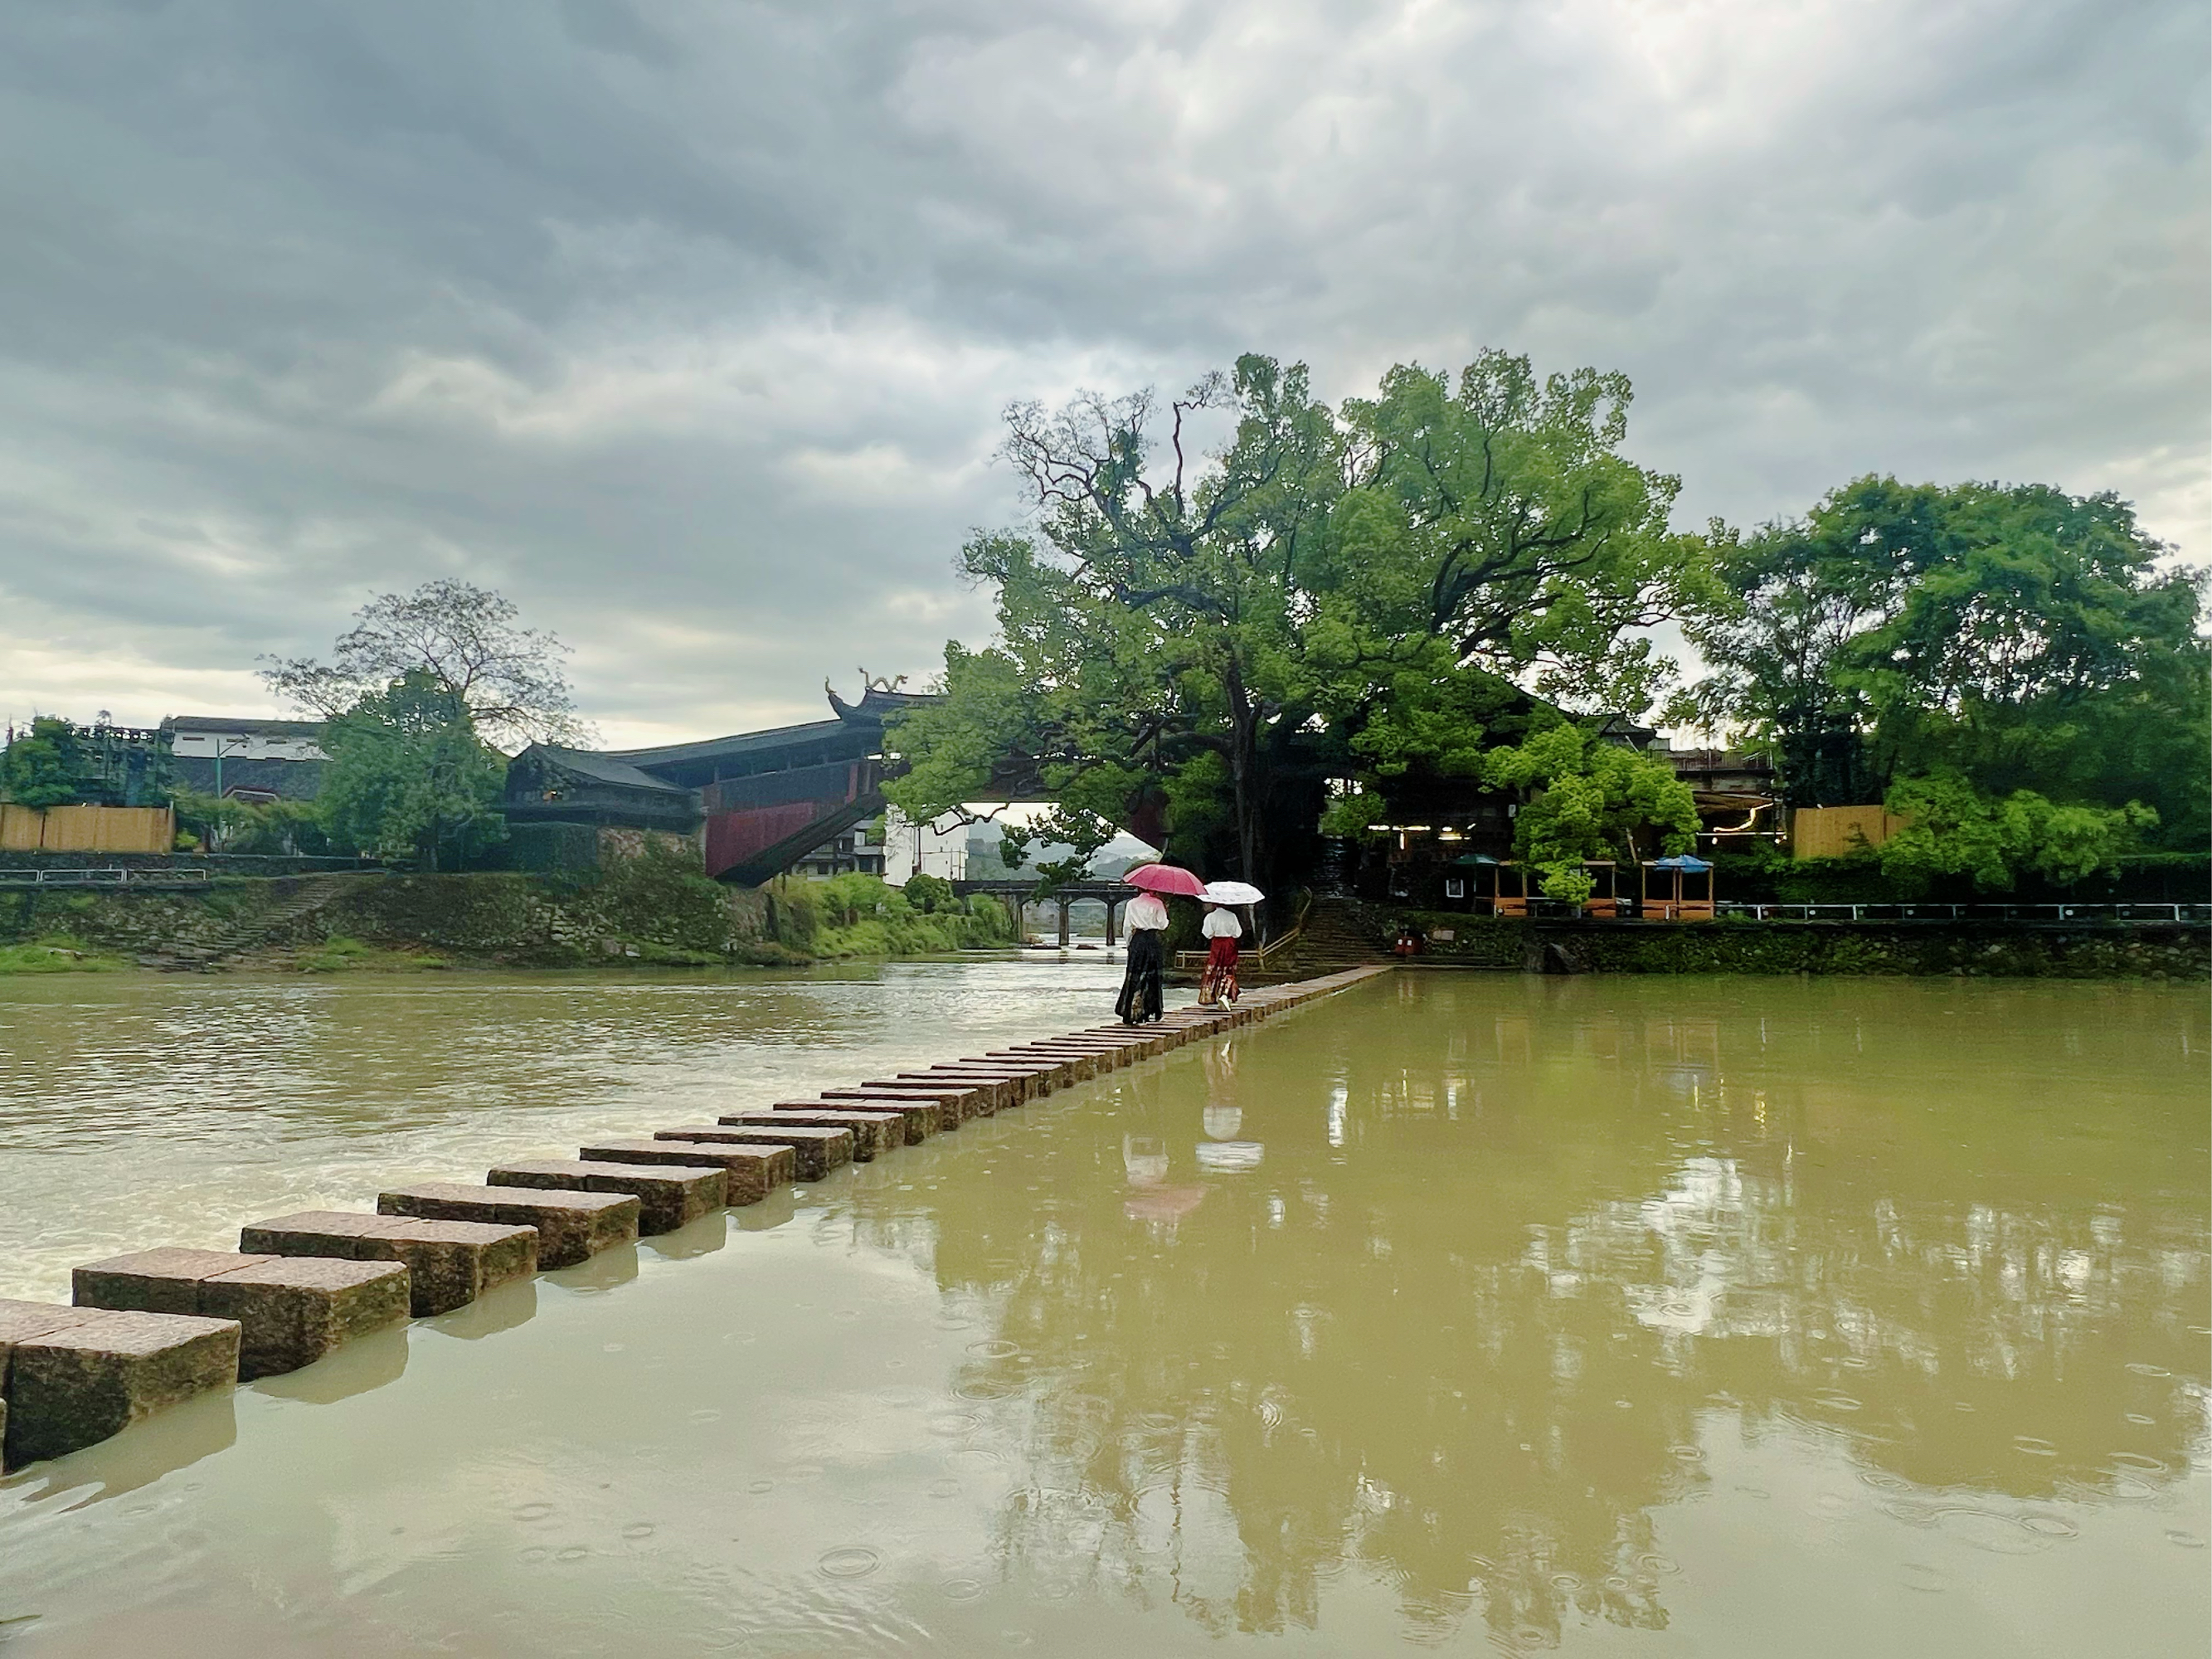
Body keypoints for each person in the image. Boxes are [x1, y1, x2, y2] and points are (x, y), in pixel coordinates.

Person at [1115, 889, 1169, 1024]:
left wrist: (1129, 944)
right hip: (1151, 941)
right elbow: (1163, 925)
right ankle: (1152, 1010)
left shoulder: (1131, 904)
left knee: (1134, 976)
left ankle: (1131, 1011)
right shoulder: (1158, 903)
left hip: (1137, 941)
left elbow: (1127, 927)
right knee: (1153, 976)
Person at [1198, 902, 1242, 1006]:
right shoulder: (1232, 916)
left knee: (1213, 967)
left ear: (1214, 904)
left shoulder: (1210, 916)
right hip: (1229, 944)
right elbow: (1237, 933)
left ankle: (1210, 995)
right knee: (1228, 968)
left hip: (1217, 943)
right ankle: (1224, 994)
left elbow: (1207, 933)